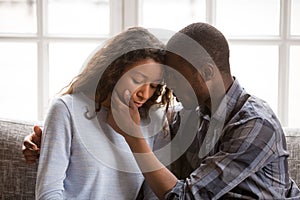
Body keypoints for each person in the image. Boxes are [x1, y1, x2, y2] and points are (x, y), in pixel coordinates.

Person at [24, 22, 300, 199]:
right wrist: (45, 140)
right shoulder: (186, 117)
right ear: (114, 71)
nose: (160, 90)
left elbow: (183, 197)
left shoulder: (254, 124)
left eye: (166, 81)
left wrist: (134, 137)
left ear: (205, 73)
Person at [29, 26, 175, 199]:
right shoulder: (66, 109)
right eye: (137, 80)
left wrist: (133, 135)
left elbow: (157, 196)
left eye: (154, 86)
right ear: (113, 70)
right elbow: (48, 194)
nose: (144, 94)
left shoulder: (156, 120)